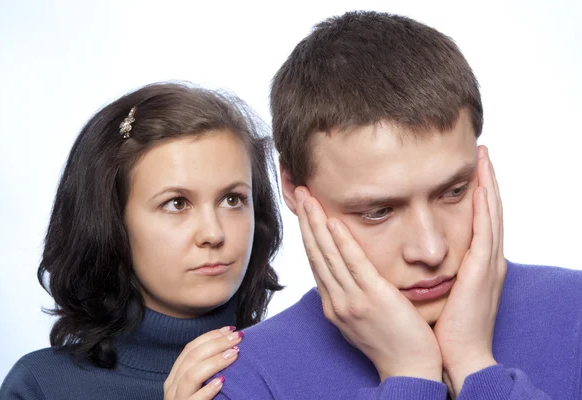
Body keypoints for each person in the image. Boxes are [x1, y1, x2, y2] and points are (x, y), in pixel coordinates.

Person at [212, 11, 582, 399]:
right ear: (292, 186)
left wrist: (475, 366)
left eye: (454, 191)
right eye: (378, 211)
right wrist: (410, 375)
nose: (431, 249)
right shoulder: (238, 381)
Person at [0, 82, 283, 400]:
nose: (213, 234)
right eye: (177, 203)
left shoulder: (297, 368)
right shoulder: (41, 387)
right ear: (112, 222)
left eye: (232, 199)